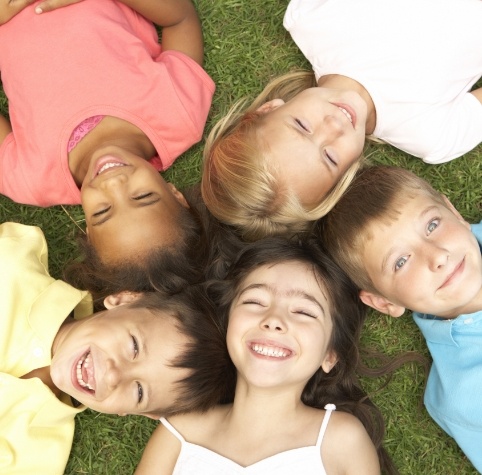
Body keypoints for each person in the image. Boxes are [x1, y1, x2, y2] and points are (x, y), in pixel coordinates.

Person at [201, 0, 482, 241]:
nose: (333, 127)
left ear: (268, 109)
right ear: (345, 175)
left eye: (302, 126)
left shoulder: (311, 18)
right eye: (330, 157)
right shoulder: (429, 135)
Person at [135, 237, 402, 475]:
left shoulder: (341, 441)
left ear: (330, 355)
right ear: (227, 325)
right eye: (254, 302)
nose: (273, 320)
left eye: (304, 312)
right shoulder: (179, 433)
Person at [0, 0, 215, 291]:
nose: (113, 184)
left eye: (102, 212)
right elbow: (180, 19)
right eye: (142, 196)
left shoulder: (31, 178)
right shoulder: (179, 115)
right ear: (176, 195)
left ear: (87, 229)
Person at [0, 221, 229, 475]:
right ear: (123, 300)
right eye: (133, 347)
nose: (113, 375)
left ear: (133, 413)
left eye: (139, 392)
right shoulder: (12, 263)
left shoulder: (38, 452)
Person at [318, 165, 482, 472]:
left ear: (454, 211)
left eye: (432, 225)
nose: (438, 257)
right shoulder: (463, 395)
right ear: (383, 301)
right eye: (401, 261)